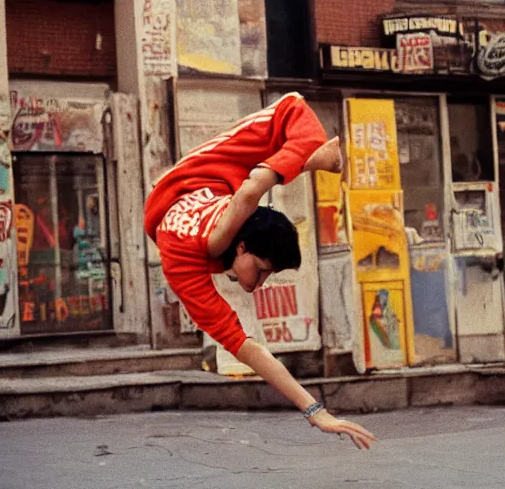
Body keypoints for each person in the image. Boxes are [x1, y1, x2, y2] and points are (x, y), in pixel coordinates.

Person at [144, 92, 375, 449]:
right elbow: (249, 349)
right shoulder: (183, 263)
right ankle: (316, 155)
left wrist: (315, 411)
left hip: (213, 184)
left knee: (270, 148)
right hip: (177, 188)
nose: (259, 284)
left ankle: (317, 156)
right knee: (278, 133)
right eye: (263, 270)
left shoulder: (230, 229)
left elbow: (244, 201)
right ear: (242, 248)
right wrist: (315, 411)